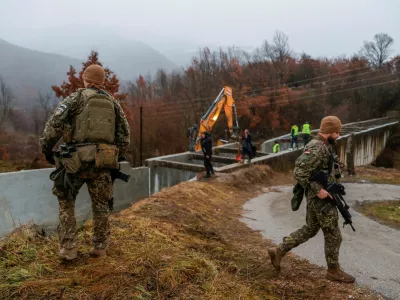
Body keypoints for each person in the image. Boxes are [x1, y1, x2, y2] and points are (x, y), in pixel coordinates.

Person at [39, 64, 130, 261]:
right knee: (101, 206)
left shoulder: (76, 98)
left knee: (66, 200)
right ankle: (100, 247)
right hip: (103, 163)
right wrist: (114, 155)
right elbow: (125, 136)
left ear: (86, 79)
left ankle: (69, 247)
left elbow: (53, 126)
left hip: (75, 162)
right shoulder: (113, 103)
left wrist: (46, 149)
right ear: (103, 81)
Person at [267, 116, 355, 283]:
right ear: (330, 131)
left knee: (310, 228)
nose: (338, 136)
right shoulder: (318, 148)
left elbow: (319, 168)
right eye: (336, 133)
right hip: (321, 199)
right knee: (334, 234)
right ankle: (333, 270)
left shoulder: (323, 146)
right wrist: (318, 190)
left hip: (320, 197)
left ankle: (278, 251)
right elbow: (299, 171)